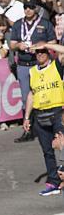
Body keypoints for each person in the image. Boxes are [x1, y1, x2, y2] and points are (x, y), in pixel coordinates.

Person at [10, 0, 57, 143]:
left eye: (30, 7)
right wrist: (19, 46)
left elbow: (53, 42)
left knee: (44, 94)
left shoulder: (45, 23)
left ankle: (50, 128)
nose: (28, 10)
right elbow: (12, 44)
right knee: (26, 98)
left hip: (40, 64)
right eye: (25, 7)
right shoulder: (18, 24)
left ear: (36, 8)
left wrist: (42, 44)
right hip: (24, 64)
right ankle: (28, 130)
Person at [22, 43, 64, 196]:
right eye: (37, 53)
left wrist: (45, 44)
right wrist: (27, 117)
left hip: (58, 112)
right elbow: (31, 95)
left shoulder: (56, 66)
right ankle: (54, 182)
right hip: (40, 115)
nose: (39, 55)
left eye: (42, 52)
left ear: (48, 53)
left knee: (63, 148)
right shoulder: (32, 72)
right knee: (47, 151)